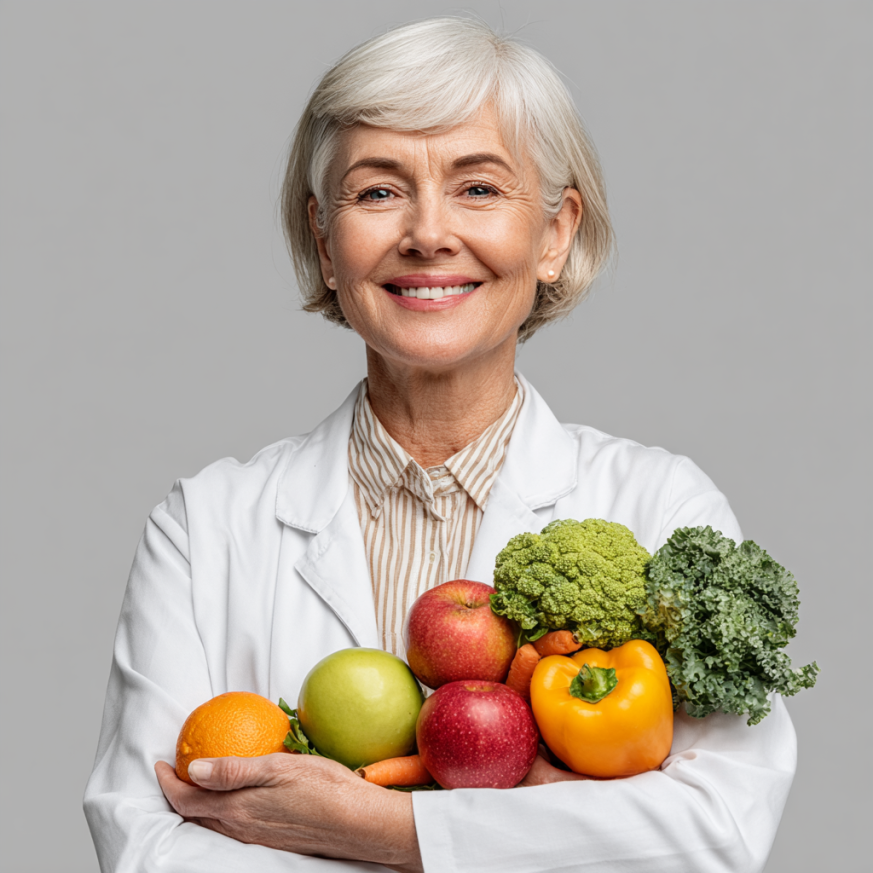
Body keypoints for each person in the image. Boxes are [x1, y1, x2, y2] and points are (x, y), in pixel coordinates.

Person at [84, 17, 797, 873]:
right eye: (378, 192)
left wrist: (380, 831)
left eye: (479, 189)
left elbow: (712, 834)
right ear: (324, 240)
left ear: (554, 233)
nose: (427, 233)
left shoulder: (660, 509)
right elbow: (146, 844)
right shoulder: (204, 529)